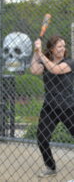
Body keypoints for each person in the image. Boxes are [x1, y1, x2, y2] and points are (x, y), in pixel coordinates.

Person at [30, 35, 74, 178]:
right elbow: (34, 70)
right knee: (42, 138)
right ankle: (50, 166)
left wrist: (41, 53)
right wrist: (36, 52)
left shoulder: (69, 62)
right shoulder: (45, 63)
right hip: (50, 107)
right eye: (59, 46)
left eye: (64, 46)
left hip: (68, 106)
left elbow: (55, 69)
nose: (63, 49)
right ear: (52, 49)